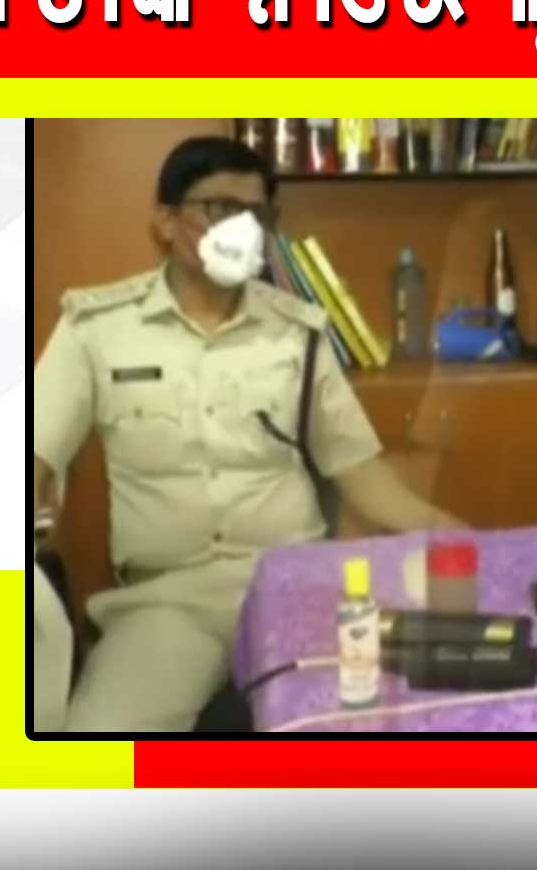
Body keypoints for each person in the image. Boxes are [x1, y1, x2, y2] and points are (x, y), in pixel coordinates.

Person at [32, 137, 461, 732]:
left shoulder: (297, 332)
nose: (243, 228)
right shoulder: (97, 330)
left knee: (381, 725)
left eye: (257, 213)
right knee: (97, 744)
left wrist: (457, 534)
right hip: (167, 603)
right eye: (220, 209)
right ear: (165, 222)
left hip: (294, 583)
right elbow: (33, 454)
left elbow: (360, 473)